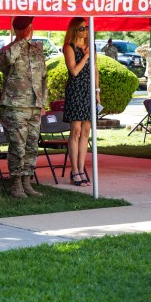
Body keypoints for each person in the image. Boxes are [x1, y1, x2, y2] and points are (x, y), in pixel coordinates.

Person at [0, 16, 47, 198]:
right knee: (18, 147)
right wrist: (21, 40)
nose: (31, 30)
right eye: (28, 27)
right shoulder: (9, 50)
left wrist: (43, 102)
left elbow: (44, 78)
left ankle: (27, 181)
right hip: (15, 106)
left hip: (34, 106)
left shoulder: (36, 51)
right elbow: (7, 62)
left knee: (31, 146)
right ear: (24, 29)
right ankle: (16, 184)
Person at [62, 17, 99, 187]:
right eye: (82, 28)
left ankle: (82, 168)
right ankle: (74, 169)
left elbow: (95, 70)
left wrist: (97, 91)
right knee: (75, 131)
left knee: (86, 132)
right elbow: (74, 71)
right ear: (74, 30)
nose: (85, 31)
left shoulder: (91, 47)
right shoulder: (69, 48)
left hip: (89, 90)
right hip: (76, 90)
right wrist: (85, 57)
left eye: (87, 28)